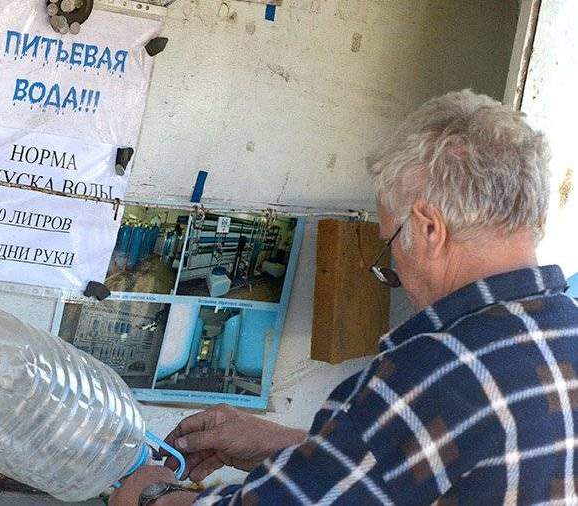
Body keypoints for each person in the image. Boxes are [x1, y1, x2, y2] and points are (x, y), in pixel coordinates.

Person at [111, 89, 578, 505]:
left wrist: (153, 496)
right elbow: (423, 467)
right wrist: (292, 445)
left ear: (428, 229)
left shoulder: (434, 371)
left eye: (389, 241)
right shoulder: (566, 334)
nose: (395, 266)